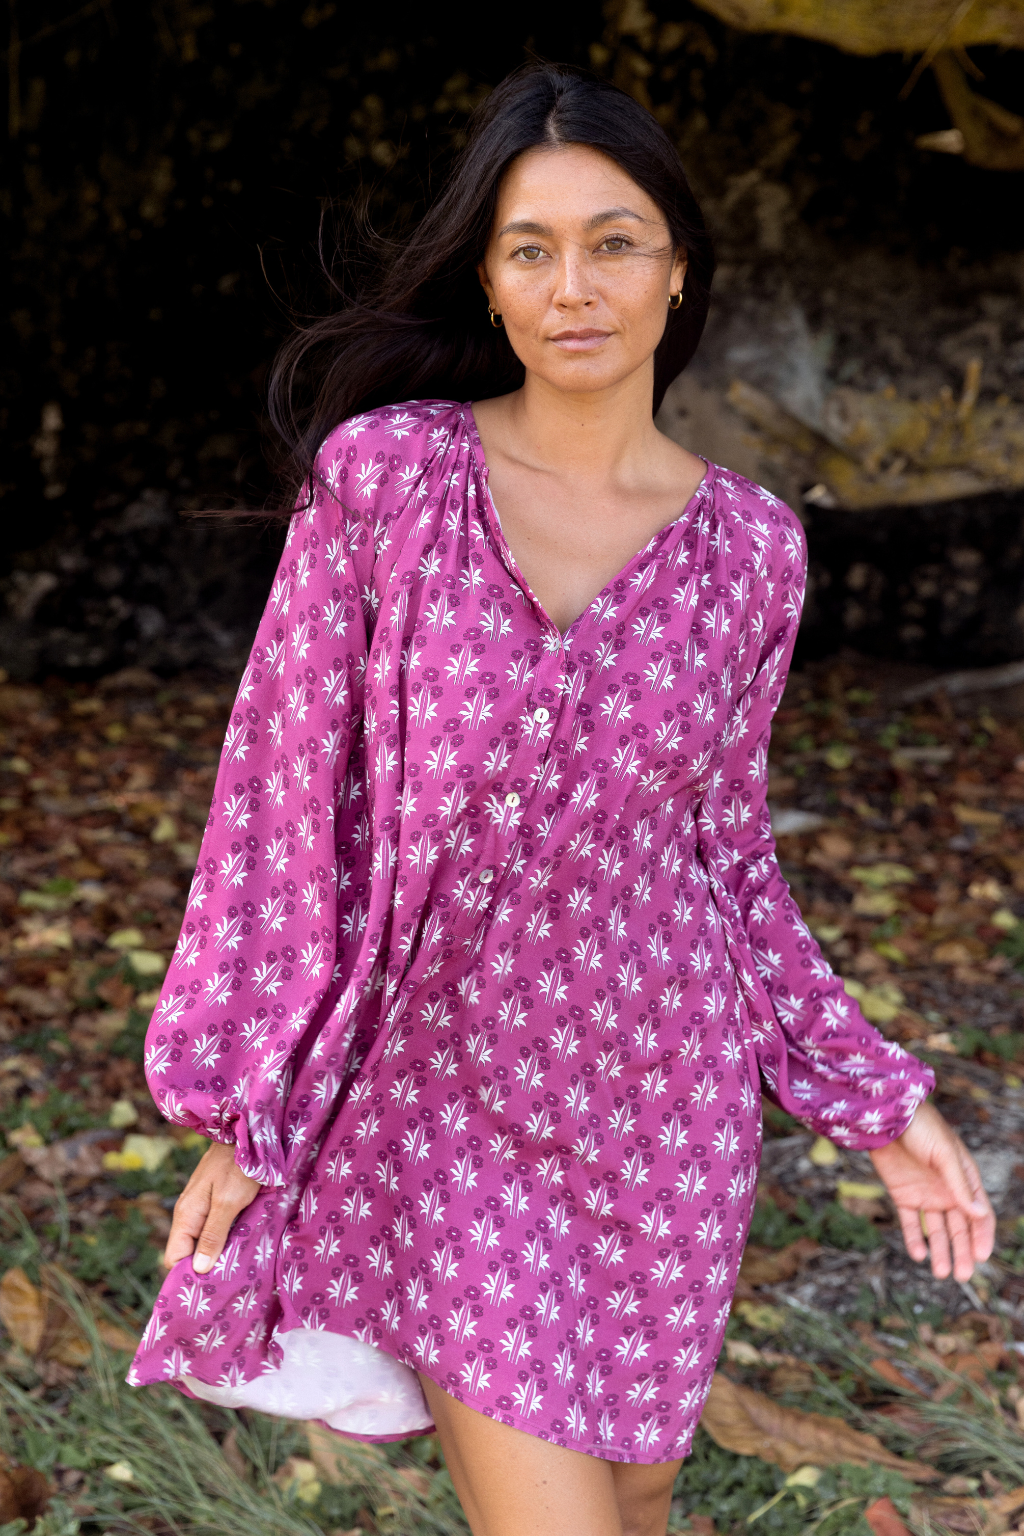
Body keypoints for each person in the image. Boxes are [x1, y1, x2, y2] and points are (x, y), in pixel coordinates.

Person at [128, 62, 995, 1536]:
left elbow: (727, 860)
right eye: (530, 248)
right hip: (444, 1098)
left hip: (665, 1110)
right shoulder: (389, 483)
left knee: (636, 1506)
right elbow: (278, 813)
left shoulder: (752, 551)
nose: (572, 285)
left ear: (680, 270)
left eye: (615, 242)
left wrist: (870, 1095)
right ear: (487, 278)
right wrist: (246, 1100)